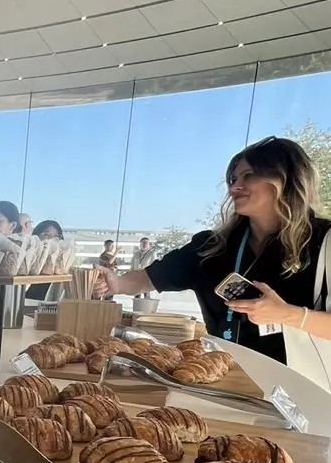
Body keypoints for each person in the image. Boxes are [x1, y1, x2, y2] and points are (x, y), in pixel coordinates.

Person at [94, 136, 330, 362]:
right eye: (233, 179)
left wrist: (288, 314)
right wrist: (118, 284)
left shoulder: (324, 242)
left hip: (300, 390)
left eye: (248, 176)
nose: (235, 187)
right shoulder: (211, 247)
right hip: (226, 378)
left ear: (286, 180)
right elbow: (151, 277)